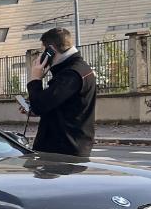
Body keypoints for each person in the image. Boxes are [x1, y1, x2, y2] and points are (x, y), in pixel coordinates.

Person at [20, 28, 96, 157]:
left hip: (63, 149)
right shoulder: (75, 69)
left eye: (42, 51)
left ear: (50, 50)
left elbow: (41, 104)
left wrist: (35, 80)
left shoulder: (71, 74)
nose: (41, 55)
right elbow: (61, 106)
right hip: (66, 146)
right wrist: (35, 110)